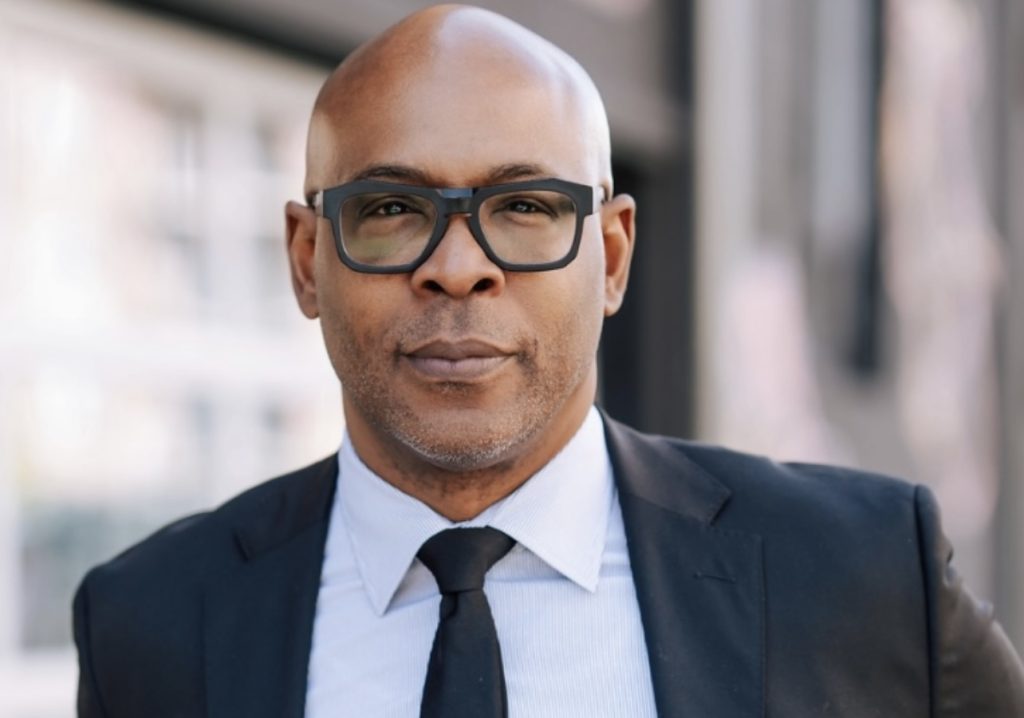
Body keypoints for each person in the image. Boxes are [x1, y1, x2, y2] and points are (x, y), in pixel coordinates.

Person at [72, 5, 1024, 717]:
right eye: (391, 210)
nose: (457, 270)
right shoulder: (149, 623)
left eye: (526, 208)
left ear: (609, 257)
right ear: (306, 260)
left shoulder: (861, 572)